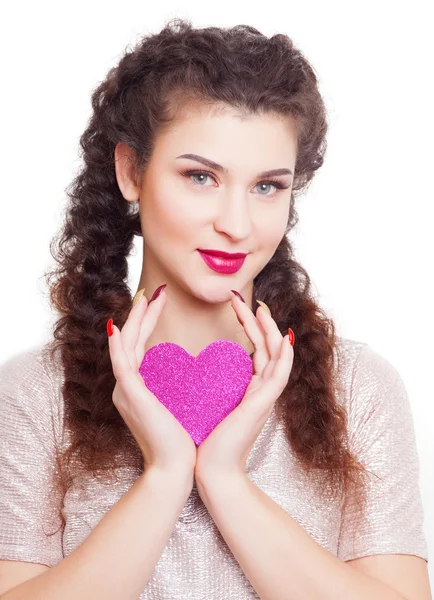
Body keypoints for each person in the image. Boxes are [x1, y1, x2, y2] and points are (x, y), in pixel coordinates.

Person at [0, 17, 430, 600]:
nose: (236, 225)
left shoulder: (357, 389)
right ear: (132, 172)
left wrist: (225, 480)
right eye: (201, 177)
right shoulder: (34, 393)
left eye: (267, 187)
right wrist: (165, 475)